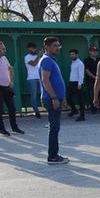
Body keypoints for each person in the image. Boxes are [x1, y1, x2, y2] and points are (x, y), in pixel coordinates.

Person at [38, 37, 69, 165]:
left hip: (54, 98)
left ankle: (54, 154)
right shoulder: (46, 61)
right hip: (52, 99)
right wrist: (54, 97)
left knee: (55, 127)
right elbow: (45, 80)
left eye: (58, 45)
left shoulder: (50, 60)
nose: (58, 48)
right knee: (54, 128)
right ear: (47, 47)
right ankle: (52, 156)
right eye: (55, 46)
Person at [23, 42, 42, 118]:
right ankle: (36, 112)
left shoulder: (39, 56)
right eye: (31, 48)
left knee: (44, 94)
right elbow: (34, 63)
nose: (33, 49)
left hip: (40, 77)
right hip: (31, 78)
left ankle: (48, 109)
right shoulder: (27, 57)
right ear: (28, 49)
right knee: (33, 96)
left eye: (34, 48)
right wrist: (39, 56)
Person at [66, 49, 85, 121]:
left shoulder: (80, 63)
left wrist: (80, 83)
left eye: (73, 54)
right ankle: (74, 110)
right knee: (68, 97)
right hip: (71, 82)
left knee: (80, 100)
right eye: (71, 54)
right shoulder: (73, 62)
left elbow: (81, 74)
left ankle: (82, 116)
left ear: (77, 55)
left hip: (77, 83)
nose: (72, 56)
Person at [84, 46, 99, 113]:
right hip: (90, 80)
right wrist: (95, 77)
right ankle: (93, 108)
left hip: (99, 80)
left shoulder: (99, 59)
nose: (94, 52)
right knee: (91, 94)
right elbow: (87, 71)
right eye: (93, 51)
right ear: (90, 52)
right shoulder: (86, 60)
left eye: (95, 51)